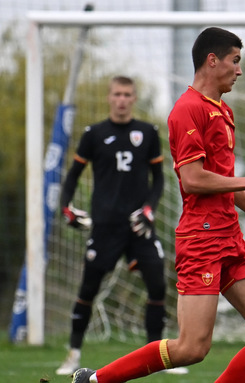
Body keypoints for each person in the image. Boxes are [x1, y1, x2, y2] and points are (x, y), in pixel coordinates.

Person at [70, 27, 245, 383]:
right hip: (202, 240)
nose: (239, 70)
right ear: (213, 60)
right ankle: (96, 380)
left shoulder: (224, 111)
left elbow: (224, 183)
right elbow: (193, 180)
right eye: (235, 61)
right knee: (192, 348)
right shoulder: (186, 109)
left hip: (231, 239)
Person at [55, 75, 188, 375]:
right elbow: (73, 176)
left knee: (157, 285)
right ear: (109, 97)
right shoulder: (94, 134)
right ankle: (73, 354)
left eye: (128, 94)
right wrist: (67, 208)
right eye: (117, 94)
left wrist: (150, 210)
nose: (122, 99)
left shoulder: (148, 132)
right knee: (88, 289)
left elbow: (158, 181)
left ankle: (160, 358)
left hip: (139, 227)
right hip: (104, 226)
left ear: (134, 97)